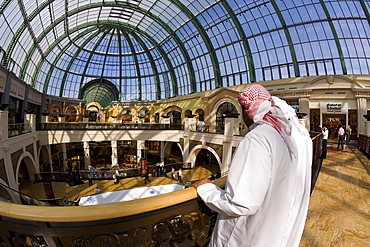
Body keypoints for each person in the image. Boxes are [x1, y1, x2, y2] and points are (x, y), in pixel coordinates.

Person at [193, 84, 312, 247]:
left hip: (244, 239)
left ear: (245, 109)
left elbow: (240, 203)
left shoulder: (258, 138)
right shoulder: (283, 137)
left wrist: (206, 189)